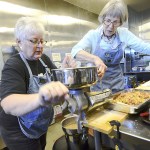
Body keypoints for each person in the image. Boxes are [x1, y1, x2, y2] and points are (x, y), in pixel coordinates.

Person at [0, 17, 76, 150]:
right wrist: (40, 97)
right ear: (19, 42)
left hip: (39, 124)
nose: (40, 46)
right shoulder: (14, 65)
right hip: (19, 131)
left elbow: (57, 80)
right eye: (34, 41)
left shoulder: (43, 59)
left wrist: (65, 71)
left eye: (42, 41)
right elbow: (8, 104)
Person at [71, 0, 150, 93]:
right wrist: (95, 59)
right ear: (103, 19)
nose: (111, 26)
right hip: (98, 85)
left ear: (120, 23)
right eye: (108, 21)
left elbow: (144, 47)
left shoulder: (124, 34)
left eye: (115, 22)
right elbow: (75, 51)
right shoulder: (93, 35)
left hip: (117, 83)